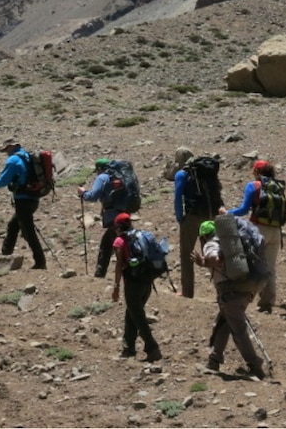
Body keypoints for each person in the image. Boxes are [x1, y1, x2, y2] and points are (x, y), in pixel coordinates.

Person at [191, 219, 266, 379]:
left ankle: (255, 366)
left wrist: (204, 262)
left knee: (238, 330)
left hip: (231, 292)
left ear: (203, 236)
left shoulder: (210, 243)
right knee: (223, 323)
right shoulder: (230, 243)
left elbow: (215, 259)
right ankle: (214, 359)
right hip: (246, 289)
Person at [223, 160, 286, 314]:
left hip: (258, 230)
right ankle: (267, 302)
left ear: (257, 172)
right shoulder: (278, 187)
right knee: (270, 268)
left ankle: (242, 297)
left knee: (250, 264)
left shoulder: (254, 186)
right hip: (276, 231)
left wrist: (226, 213)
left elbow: (243, 209)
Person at [0, 138, 46, 270]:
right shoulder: (27, 156)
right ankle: (5, 255)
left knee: (28, 231)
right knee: (13, 225)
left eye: (6, 149)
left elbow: (2, 182)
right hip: (34, 198)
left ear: (11, 147)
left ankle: (40, 262)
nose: (6, 152)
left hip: (23, 200)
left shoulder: (13, 160)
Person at [110, 213, 162, 362]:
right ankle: (129, 348)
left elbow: (119, 265)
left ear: (118, 227)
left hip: (133, 284)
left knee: (137, 316)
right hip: (147, 282)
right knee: (131, 313)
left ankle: (152, 348)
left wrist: (116, 286)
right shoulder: (141, 236)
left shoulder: (120, 241)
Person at [172, 152, 217, 299]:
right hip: (210, 216)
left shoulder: (182, 174)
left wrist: (181, 219)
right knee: (212, 252)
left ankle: (187, 292)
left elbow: (178, 198)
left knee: (187, 254)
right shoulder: (205, 171)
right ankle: (222, 289)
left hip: (192, 217)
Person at [77, 157, 123, 278]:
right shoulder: (121, 177)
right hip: (125, 215)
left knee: (107, 246)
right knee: (118, 243)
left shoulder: (102, 177)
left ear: (99, 169)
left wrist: (83, 193)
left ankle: (100, 274)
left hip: (113, 218)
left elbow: (93, 196)